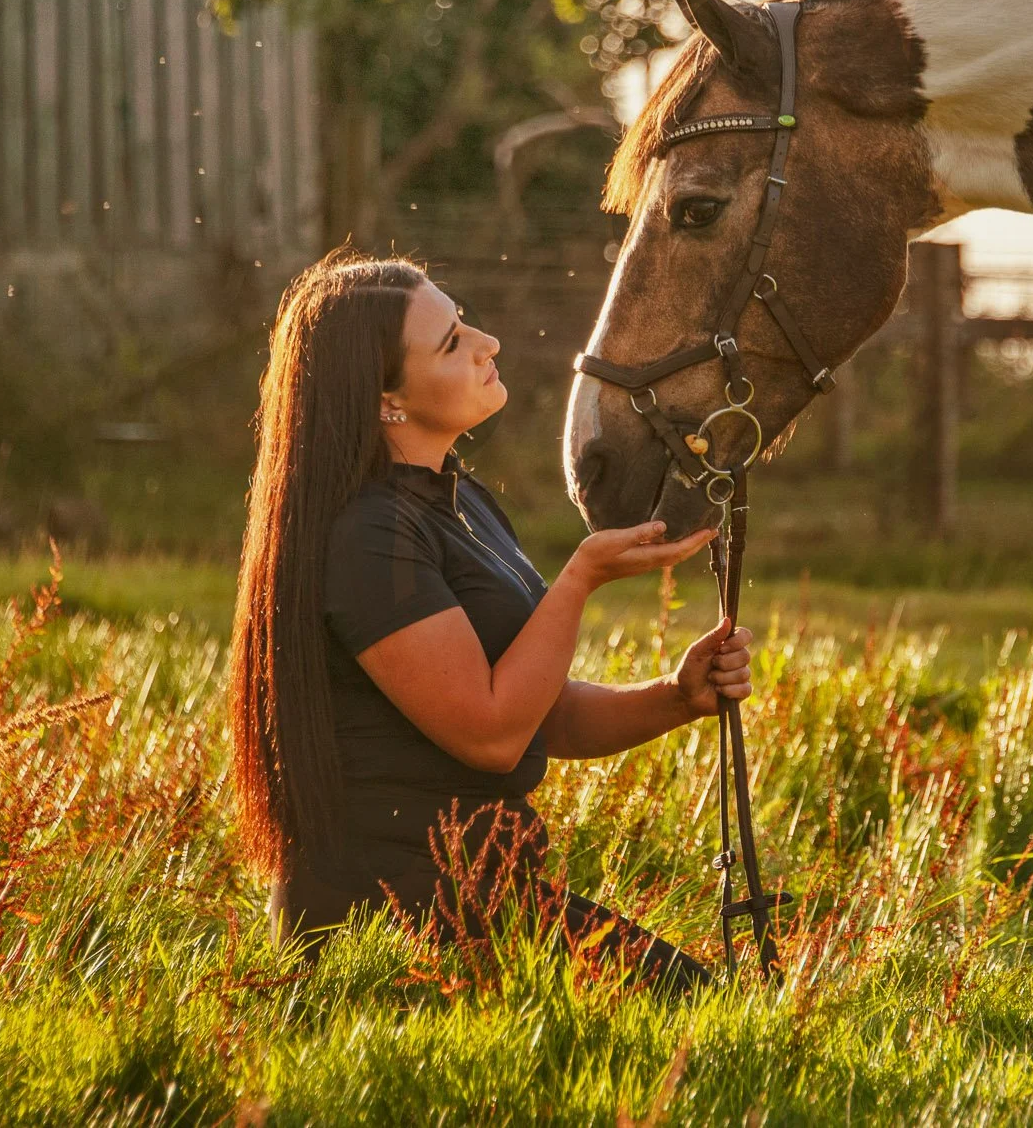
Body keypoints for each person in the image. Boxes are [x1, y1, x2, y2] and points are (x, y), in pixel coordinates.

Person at [228, 250, 750, 996]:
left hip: (487, 890)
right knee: (703, 1016)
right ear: (385, 400)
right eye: (450, 342)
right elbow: (493, 731)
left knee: (714, 1009)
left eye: (464, 320)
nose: (486, 344)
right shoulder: (370, 537)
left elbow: (546, 713)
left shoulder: (459, 502)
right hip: (390, 921)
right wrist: (582, 579)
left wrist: (677, 696)